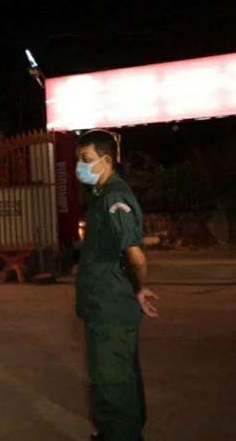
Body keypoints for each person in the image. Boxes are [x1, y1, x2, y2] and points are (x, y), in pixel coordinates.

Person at [74, 130, 159, 441]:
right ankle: (111, 433)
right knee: (111, 378)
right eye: (79, 159)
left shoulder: (114, 198)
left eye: (86, 159)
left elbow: (135, 256)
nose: (80, 166)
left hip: (110, 308)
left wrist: (140, 287)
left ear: (106, 160)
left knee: (114, 385)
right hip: (103, 305)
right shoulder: (101, 195)